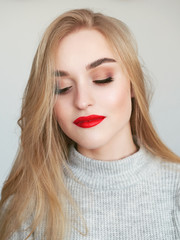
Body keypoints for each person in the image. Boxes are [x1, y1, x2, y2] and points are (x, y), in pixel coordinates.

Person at [0, 8, 180, 240]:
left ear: (133, 85)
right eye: (62, 87)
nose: (82, 101)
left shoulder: (175, 191)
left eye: (102, 79)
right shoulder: (26, 209)